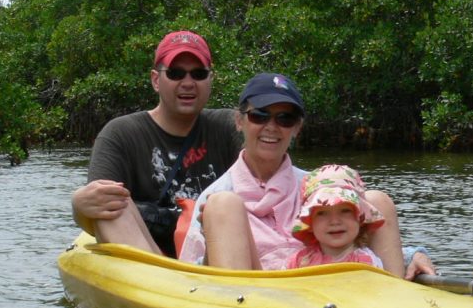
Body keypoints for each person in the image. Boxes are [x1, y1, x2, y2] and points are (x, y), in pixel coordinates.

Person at [179, 73, 431, 278]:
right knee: (223, 203)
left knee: (376, 200)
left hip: (324, 294)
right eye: (259, 115)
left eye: (285, 119)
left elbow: (353, 237)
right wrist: (212, 253)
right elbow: (188, 276)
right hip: (255, 299)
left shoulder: (321, 189)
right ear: (239, 121)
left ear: (297, 128)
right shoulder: (216, 197)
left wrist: (412, 255)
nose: (271, 127)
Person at [70, 30, 242, 256]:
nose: (188, 83)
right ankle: (166, 283)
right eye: (176, 73)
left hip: (215, 253)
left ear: (211, 79)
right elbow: (99, 211)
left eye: (198, 74)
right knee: (110, 204)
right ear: (155, 80)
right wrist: (78, 208)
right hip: (149, 257)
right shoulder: (120, 133)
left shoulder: (233, 125)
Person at [285, 164, 386, 269]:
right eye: (322, 213)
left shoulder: (366, 263)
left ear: (360, 217)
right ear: (309, 222)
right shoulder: (299, 261)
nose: (335, 221)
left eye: (345, 211)